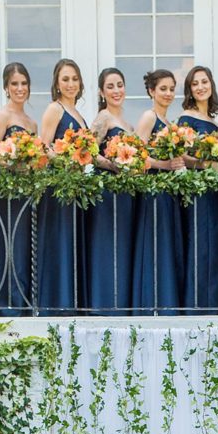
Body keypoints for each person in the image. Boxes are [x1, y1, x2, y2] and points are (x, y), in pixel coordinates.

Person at [178, 64, 218, 314]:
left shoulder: (216, 126)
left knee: (216, 248)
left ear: (211, 85)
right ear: (190, 90)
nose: (201, 87)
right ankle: (197, 308)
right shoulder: (185, 120)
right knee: (199, 246)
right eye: (195, 83)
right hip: (196, 190)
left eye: (204, 82)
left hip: (214, 192)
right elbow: (181, 157)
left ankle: (216, 308)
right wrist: (203, 162)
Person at [37, 58, 89, 314]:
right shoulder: (54, 109)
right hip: (58, 187)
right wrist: (67, 157)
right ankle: (56, 305)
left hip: (75, 186)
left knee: (73, 242)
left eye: (74, 79)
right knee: (59, 242)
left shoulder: (78, 113)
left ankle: (74, 301)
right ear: (57, 83)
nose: (70, 84)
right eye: (65, 79)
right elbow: (43, 146)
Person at [132, 69, 186, 313]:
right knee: (155, 243)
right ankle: (152, 303)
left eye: (172, 89)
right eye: (163, 89)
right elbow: (136, 155)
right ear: (151, 91)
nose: (168, 93)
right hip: (153, 189)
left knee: (167, 243)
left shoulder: (169, 123)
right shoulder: (148, 117)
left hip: (168, 192)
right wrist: (164, 165)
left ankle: (167, 302)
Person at [0, 62, 37, 316]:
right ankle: (6, 306)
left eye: (24, 83)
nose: (20, 88)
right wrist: (13, 163)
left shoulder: (31, 122)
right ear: (6, 87)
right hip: (6, 194)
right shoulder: (3, 116)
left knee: (25, 247)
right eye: (15, 84)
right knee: (9, 246)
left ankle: (24, 302)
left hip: (27, 194)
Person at [86, 67, 137, 314]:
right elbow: (89, 152)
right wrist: (112, 165)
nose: (116, 91)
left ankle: (123, 303)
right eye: (110, 86)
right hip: (107, 190)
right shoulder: (103, 118)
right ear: (101, 92)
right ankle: (105, 305)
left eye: (120, 85)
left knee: (124, 245)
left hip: (126, 193)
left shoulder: (128, 123)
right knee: (108, 245)